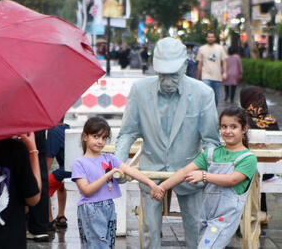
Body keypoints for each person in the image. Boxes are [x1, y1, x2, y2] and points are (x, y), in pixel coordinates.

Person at [115, 37, 219, 249]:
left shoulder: (203, 93)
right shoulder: (139, 90)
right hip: (151, 171)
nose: (167, 79)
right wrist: (118, 164)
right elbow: (127, 133)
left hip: (189, 170)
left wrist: (210, 170)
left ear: (184, 67)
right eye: (162, 73)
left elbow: (210, 140)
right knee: (149, 229)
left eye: (172, 74)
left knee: (195, 226)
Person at [157, 107, 257, 248]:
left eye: (233, 127)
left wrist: (204, 176)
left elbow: (232, 180)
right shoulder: (211, 154)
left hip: (224, 218)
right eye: (224, 126)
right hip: (205, 215)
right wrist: (162, 187)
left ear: (244, 129)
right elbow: (184, 171)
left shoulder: (248, 158)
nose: (228, 131)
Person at [72, 117, 163, 249]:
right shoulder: (79, 163)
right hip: (90, 209)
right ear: (85, 136)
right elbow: (86, 190)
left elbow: (130, 170)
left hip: (109, 206)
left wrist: (152, 184)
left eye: (104, 138)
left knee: (108, 245)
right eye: (96, 136)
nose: (100, 141)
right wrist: (108, 175)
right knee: (98, 245)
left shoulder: (110, 158)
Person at [240, 86, 279, 220]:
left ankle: (244, 215)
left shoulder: (242, 120)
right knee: (259, 168)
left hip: (246, 172)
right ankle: (262, 213)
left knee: (251, 169)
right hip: (270, 173)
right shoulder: (272, 121)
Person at [46, 119, 71, 230]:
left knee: (44, 186)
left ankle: (49, 220)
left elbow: (50, 156)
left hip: (65, 171)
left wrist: (42, 174)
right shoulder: (67, 127)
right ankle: (61, 216)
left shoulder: (53, 130)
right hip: (70, 169)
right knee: (60, 186)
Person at [26, 130, 50, 241]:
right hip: (37, 128)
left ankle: (28, 224)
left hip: (18, 128)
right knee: (40, 173)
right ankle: (39, 227)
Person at [197, 31, 228, 106]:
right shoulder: (202, 49)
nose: (210, 38)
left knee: (216, 98)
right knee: (206, 95)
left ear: (215, 38)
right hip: (205, 76)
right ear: (206, 38)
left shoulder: (220, 48)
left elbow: (224, 61)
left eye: (212, 37)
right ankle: (207, 113)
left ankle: (214, 112)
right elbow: (200, 64)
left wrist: (225, 72)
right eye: (209, 37)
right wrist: (197, 78)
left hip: (217, 77)